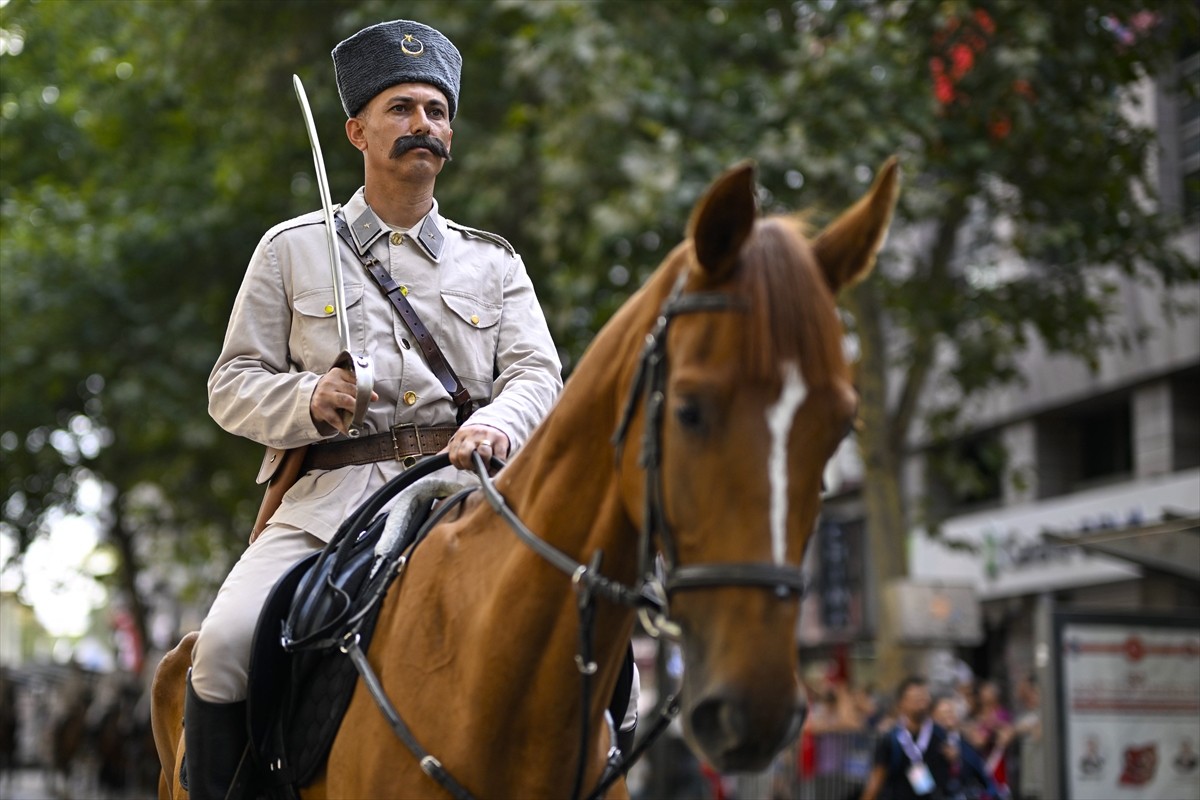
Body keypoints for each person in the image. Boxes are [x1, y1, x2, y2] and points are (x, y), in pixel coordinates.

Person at [186, 19, 564, 800]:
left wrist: (496, 422)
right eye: (400, 108)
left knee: (589, 629)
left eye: (435, 109)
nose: (422, 123)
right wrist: (308, 399)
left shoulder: (493, 262)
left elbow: (537, 372)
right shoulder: (289, 249)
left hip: (469, 498)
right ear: (357, 129)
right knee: (222, 648)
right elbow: (230, 385)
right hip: (329, 508)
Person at [861, 676, 953, 800]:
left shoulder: (940, 734)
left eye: (924, 697)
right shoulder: (891, 738)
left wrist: (955, 760)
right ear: (901, 703)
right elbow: (877, 778)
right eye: (916, 698)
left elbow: (955, 772)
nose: (921, 702)